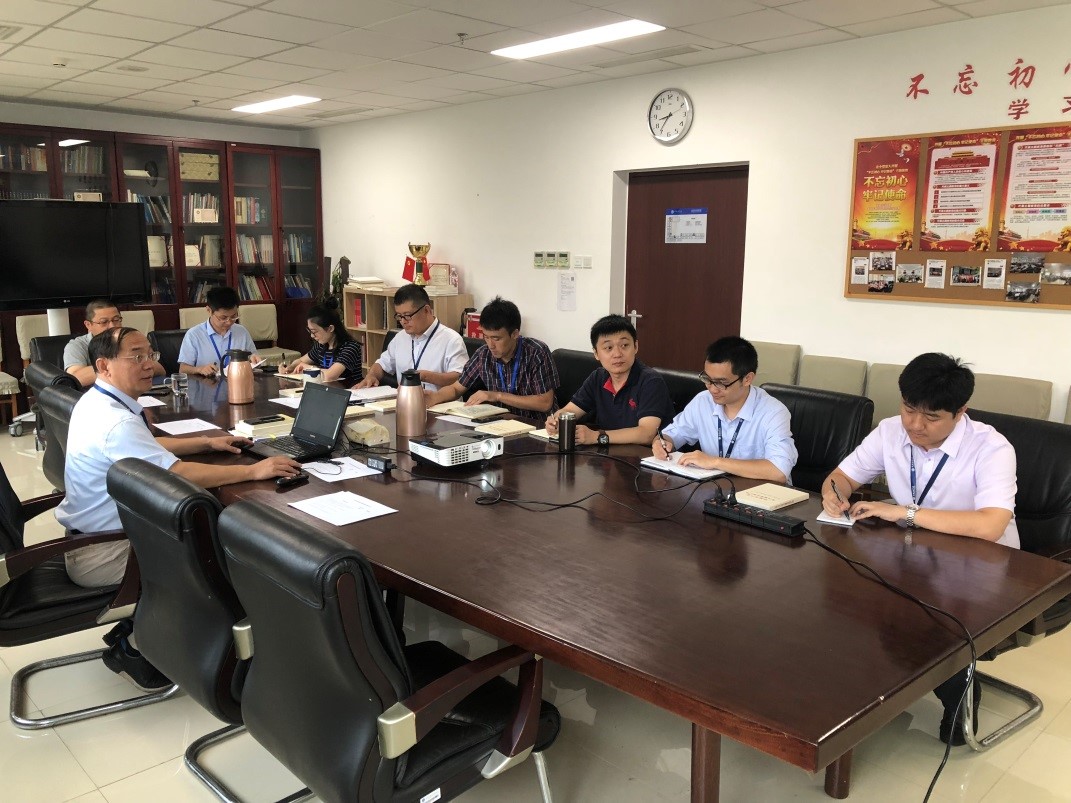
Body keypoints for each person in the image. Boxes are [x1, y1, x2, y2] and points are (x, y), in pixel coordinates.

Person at [55, 327, 301, 690]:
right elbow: (177, 474)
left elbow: (147, 448)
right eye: (136, 357)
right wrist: (254, 470)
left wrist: (207, 442)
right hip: (106, 553)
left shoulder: (97, 402)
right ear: (103, 366)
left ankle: (147, 633)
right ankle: (146, 645)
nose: (149, 364)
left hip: (90, 539)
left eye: (150, 354)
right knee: (235, 552)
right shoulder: (116, 422)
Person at [820, 352, 1018, 745]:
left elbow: (991, 525)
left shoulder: (992, 448)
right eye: (909, 409)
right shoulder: (890, 432)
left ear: (960, 412)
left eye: (931, 417)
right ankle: (871, 690)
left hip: (981, 567)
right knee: (849, 603)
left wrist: (904, 512)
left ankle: (958, 687)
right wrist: (834, 494)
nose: (915, 425)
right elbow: (841, 476)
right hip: (913, 555)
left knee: (921, 616)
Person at [651, 336, 797, 483]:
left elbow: (779, 471)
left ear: (747, 379)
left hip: (761, 493)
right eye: (707, 379)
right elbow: (671, 434)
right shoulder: (703, 401)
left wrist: (715, 462)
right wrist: (661, 443)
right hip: (717, 488)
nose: (712, 389)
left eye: (721, 383)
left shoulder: (773, 412)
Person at [545, 314, 674, 446]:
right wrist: (557, 420)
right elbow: (571, 410)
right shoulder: (598, 377)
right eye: (608, 348)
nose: (617, 354)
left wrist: (597, 436)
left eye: (624, 345)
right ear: (596, 353)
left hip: (645, 455)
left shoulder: (650, 381)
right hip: (608, 453)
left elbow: (646, 434)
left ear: (635, 346)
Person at [425, 297, 558, 423]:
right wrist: (435, 397)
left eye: (496, 338)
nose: (490, 345)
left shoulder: (536, 352)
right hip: (500, 426)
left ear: (515, 334)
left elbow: (545, 403)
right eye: (486, 337)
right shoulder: (483, 354)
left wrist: (497, 396)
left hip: (537, 427)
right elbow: (456, 388)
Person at [353, 284, 467, 391]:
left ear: (426, 310)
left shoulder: (451, 340)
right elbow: (382, 364)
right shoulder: (400, 337)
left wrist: (425, 376)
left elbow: (460, 378)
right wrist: (371, 375)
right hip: (405, 401)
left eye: (407, 316)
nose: (403, 322)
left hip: (441, 403)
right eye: (399, 316)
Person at [64, 299, 164, 386]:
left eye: (116, 320)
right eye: (104, 322)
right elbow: (76, 378)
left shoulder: (129, 340)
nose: (112, 326)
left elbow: (159, 368)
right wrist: (122, 365)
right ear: (88, 325)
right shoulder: (77, 345)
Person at [178, 286, 261, 377]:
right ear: (209, 311)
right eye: (223, 318)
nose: (229, 322)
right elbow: (183, 369)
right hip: (207, 383)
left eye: (233, 316)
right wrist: (200, 369)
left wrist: (254, 359)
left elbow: (253, 357)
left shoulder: (242, 332)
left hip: (236, 381)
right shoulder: (194, 335)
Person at [280, 305, 363, 384]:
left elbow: (330, 376)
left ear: (330, 328)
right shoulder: (321, 345)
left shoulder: (350, 347)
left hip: (349, 390)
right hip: (326, 389)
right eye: (310, 331)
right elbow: (301, 361)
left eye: (314, 332)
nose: (312, 336)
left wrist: (309, 368)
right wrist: (289, 367)